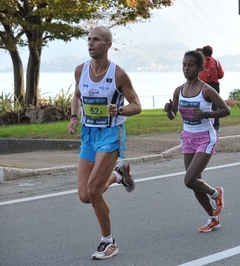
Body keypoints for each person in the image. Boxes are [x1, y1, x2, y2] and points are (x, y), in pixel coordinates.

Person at [66, 26, 142, 260]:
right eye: (88, 39)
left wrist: (119, 109)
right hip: (89, 134)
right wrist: (74, 117)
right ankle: (119, 175)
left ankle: (108, 242)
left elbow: (137, 104)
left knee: (93, 191)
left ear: (107, 45)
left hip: (110, 134)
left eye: (96, 40)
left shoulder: (118, 74)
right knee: (84, 195)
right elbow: (77, 95)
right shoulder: (81, 70)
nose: (90, 43)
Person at [164, 50, 230, 232]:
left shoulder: (206, 90)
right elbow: (172, 116)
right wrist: (169, 110)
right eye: (184, 65)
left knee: (189, 179)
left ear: (200, 67)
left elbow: (226, 110)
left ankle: (216, 193)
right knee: (194, 182)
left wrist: (207, 114)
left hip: (205, 137)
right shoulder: (179, 90)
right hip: (188, 137)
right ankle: (213, 217)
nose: (186, 68)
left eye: (190, 65)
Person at [198, 45, 224, 132]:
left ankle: (203, 125)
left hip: (203, 85)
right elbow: (221, 74)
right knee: (215, 106)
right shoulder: (216, 61)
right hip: (215, 85)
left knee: (203, 105)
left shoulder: (201, 61)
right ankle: (216, 126)